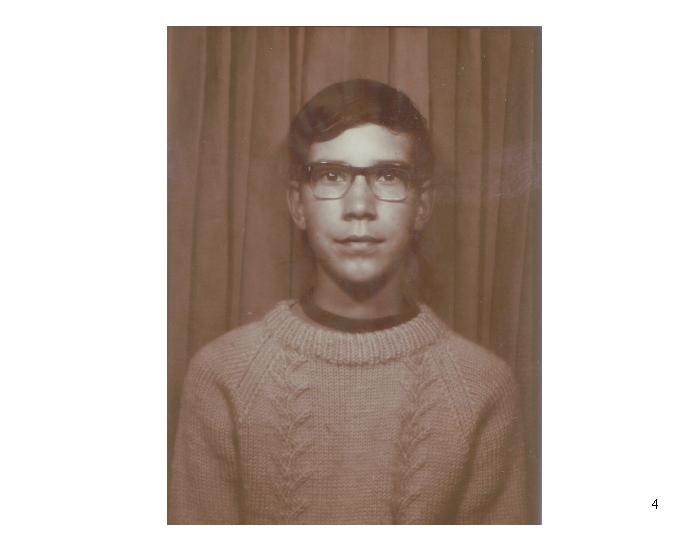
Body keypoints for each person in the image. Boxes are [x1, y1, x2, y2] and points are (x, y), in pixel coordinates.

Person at [169, 79, 529, 524]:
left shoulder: (482, 387)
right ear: (297, 204)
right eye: (331, 175)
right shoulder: (223, 376)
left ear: (422, 206)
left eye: (388, 176)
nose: (360, 206)